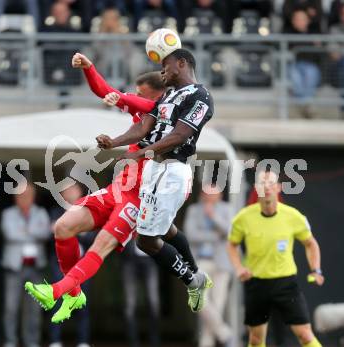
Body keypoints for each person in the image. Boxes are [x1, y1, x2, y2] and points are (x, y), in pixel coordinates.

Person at [25, 51, 204, 323]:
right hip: (118, 189)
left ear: (155, 96)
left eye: (140, 94)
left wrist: (121, 99)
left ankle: (57, 291)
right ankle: (74, 294)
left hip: (142, 195)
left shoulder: (163, 109)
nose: (135, 97)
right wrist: (89, 67)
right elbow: (106, 91)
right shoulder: (150, 112)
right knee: (62, 227)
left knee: (112, 242)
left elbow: (126, 99)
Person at [96, 48, 214, 312]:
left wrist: (138, 154)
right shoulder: (168, 95)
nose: (162, 71)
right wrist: (113, 142)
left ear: (182, 64)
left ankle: (192, 279)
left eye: (166, 65)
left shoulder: (201, 96)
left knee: (145, 239)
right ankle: (195, 274)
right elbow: (142, 128)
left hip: (174, 170)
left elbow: (179, 136)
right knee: (164, 229)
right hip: (154, 169)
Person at [227, 170, 325, 347]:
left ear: (279, 188)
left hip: (286, 284)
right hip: (257, 284)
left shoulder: (293, 216)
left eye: (271, 183)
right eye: (262, 184)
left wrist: (316, 269)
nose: (267, 187)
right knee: (256, 339)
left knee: (305, 335)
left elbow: (311, 244)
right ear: (256, 188)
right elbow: (231, 245)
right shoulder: (243, 218)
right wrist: (239, 268)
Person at [1, 182, 51, 347]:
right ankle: (10, 341)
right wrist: (33, 231)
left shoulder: (41, 212)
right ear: (15, 197)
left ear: (33, 197)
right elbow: (10, 234)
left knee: (34, 308)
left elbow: (46, 233)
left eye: (28, 195)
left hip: (36, 267)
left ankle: (32, 341)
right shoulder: (8, 214)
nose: (24, 199)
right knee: (11, 307)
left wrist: (24, 231)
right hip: (14, 267)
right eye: (21, 196)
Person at [185, 184, 233, 347]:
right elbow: (191, 234)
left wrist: (213, 218)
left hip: (222, 262)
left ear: (220, 195)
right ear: (202, 194)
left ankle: (206, 343)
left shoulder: (227, 209)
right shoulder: (193, 210)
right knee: (199, 300)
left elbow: (230, 231)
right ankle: (224, 333)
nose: (210, 197)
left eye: (214, 194)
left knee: (218, 305)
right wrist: (216, 236)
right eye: (207, 193)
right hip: (200, 261)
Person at [48, 183, 92, 347]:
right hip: (60, 263)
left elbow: (92, 235)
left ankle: (82, 341)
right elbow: (54, 233)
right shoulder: (56, 212)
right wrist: (77, 229)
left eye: (72, 189)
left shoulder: (87, 211)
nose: (69, 192)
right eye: (66, 190)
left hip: (82, 264)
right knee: (57, 300)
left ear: (79, 192)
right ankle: (55, 340)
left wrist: (70, 230)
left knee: (82, 301)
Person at [121, 240, 161, 347]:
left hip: (150, 259)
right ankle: (133, 343)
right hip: (129, 260)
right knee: (130, 305)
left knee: (154, 303)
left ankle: (154, 341)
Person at [284, 9, 322, 118]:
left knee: (311, 73)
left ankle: (304, 104)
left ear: (308, 21)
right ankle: (307, 105)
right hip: (293, 65)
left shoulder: (314, 33)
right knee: (294, 76)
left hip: (310, 65)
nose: (300, 21)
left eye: (302, 19)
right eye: (297, 19)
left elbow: (317, 54)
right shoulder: (287, 33)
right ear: (292, 21)